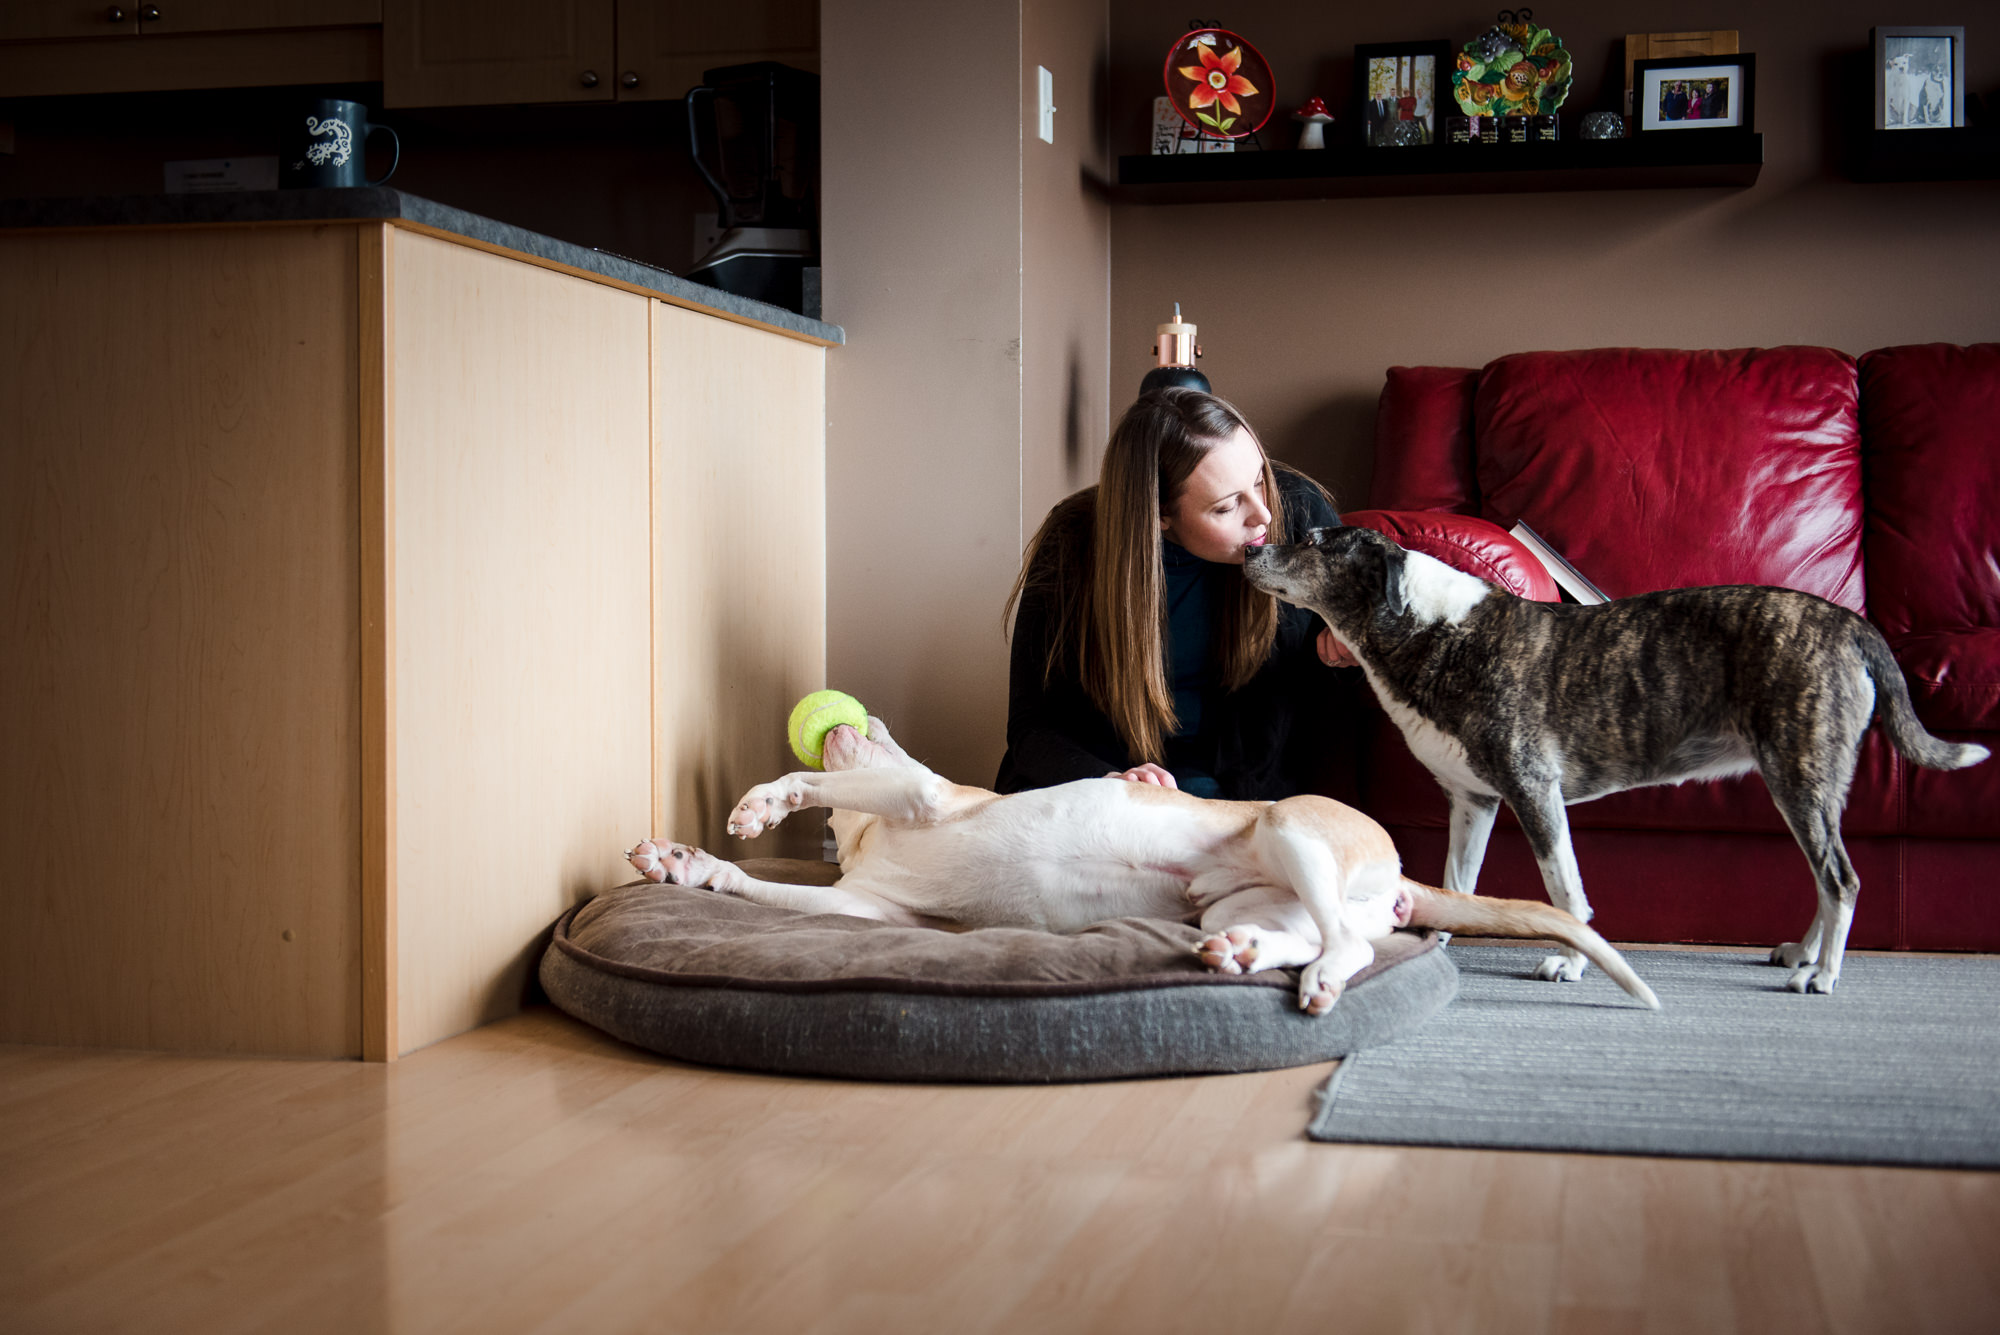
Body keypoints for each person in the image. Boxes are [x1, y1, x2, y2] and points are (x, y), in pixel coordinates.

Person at [995, 388, 1355, 802]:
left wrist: (1351, 650)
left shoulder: (1298, 511)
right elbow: (1032, 727)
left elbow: (1350, 671)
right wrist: (1109, 781)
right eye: (1226, 507)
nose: (1264, 514)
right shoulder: (1073, 542)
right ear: (1160, 514)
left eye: (1259, 480)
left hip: (1241, 788)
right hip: (1109, 789)